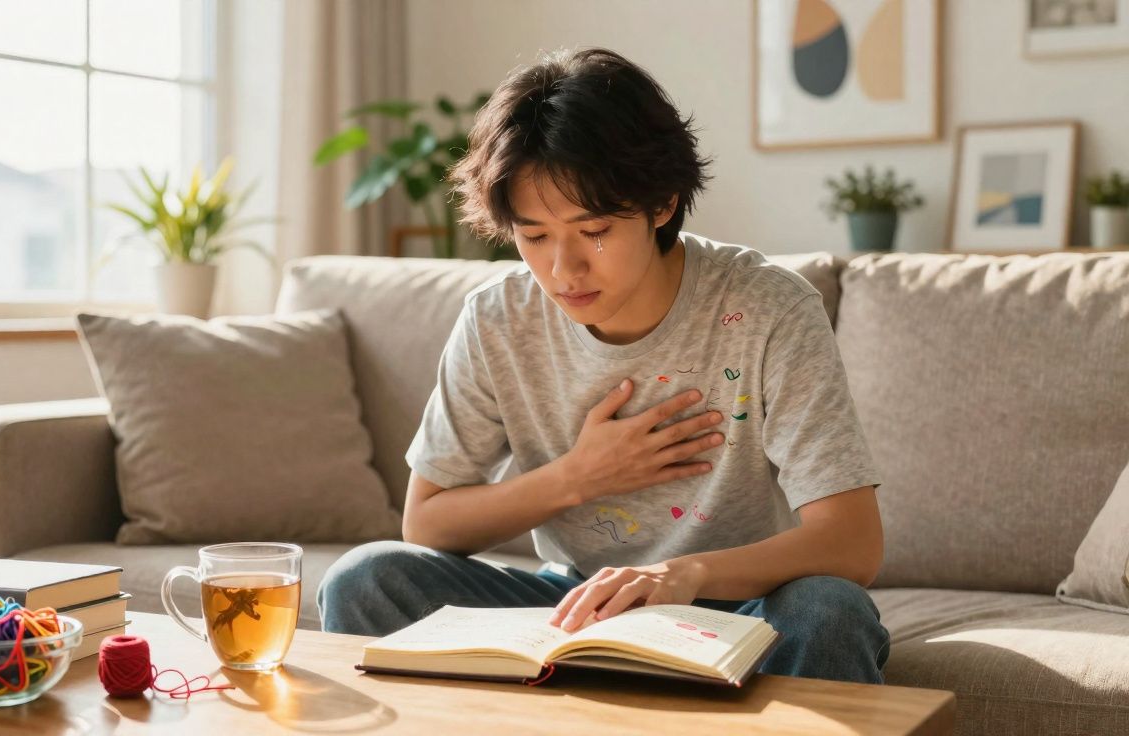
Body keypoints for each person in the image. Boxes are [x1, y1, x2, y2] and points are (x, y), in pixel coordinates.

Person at [317, 46, 891, 685]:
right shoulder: (497, 319)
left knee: (827, 610)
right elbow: (425, 523)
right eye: (535, 237)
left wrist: (682, 575)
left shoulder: (768, 308)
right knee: (365, 580)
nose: (563, 271)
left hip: (739, 604)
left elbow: (852, 543)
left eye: (594, 231)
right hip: (575, 606)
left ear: (662, 203)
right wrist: (578, 477)